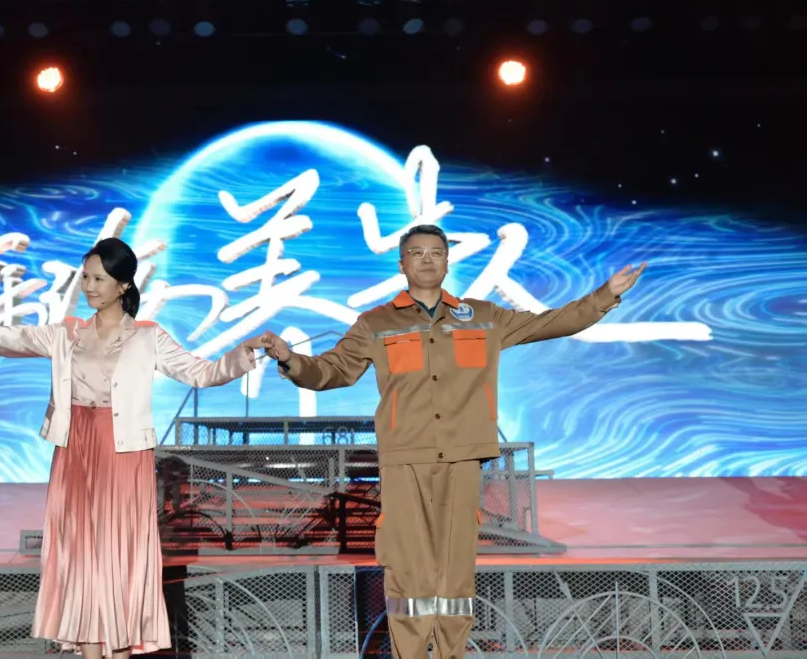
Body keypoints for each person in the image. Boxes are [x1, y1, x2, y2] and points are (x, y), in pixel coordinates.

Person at [263, 224, 645, 659]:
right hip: (406, 460)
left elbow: (551, 322)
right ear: (401, 264)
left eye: (436, 252)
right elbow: (331, 371)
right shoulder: (376, 323)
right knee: (407, 566)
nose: (427, 259)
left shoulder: (483, 317)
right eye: (417, 252)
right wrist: (290, 359)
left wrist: (604, 295)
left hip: (463, 459)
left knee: (455, 571)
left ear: (447, 262)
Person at [0, 237, 272, 658]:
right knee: (80, 556)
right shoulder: (68, 333)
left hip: (123, 453)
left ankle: (121, 649)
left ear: (123, 285)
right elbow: (4, 338)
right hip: (75, 448)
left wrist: (244, 352)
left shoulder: (147, 337)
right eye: (86, 278)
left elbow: (202, 373)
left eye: (98, 279)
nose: (89, 287)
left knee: (117, 555)